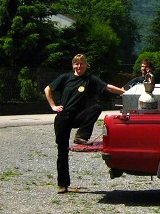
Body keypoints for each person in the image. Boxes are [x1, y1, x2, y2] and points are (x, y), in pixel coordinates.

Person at [45, 54, 126, 194]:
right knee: (62, 151)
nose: (79, 66)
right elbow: (47, 89)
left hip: (78, 117)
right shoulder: (65, 78)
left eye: (81, 64)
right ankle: (63, 184)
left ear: (85, 65)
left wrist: (125, 92)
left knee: (96, 108)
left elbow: (108, 87)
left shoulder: (90, 79)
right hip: (63, 117)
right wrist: (53, 106)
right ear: (73, 66)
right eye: (76, 64)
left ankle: (81, 135)